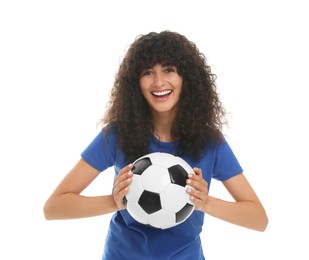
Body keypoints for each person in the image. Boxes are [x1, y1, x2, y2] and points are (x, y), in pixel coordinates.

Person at [43, 30, 268, 259]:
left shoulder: (210, 142)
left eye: (169, 69)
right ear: (135, 82)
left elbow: (259, 219)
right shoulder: (117, 134)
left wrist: (206, 203)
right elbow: (53, 208)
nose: (159, 82)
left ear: (186, 77)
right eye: (148, 72)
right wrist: (114, 202)